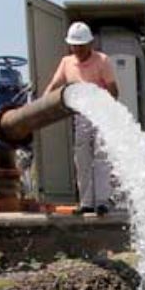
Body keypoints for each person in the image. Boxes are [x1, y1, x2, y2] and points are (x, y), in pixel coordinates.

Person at [42, 22, 119, 215]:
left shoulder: (102, 60)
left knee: (101, 158)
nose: (78, 49)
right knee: (82, 159)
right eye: (75, 46)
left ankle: (102, 201)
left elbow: (113, 90)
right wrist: (42, 104)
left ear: (89, 45)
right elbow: (54, 84)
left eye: (81, 46)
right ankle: (86, 202)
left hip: (101, 114)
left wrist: (108, 110)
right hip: (81, 116)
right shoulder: (67, 63)